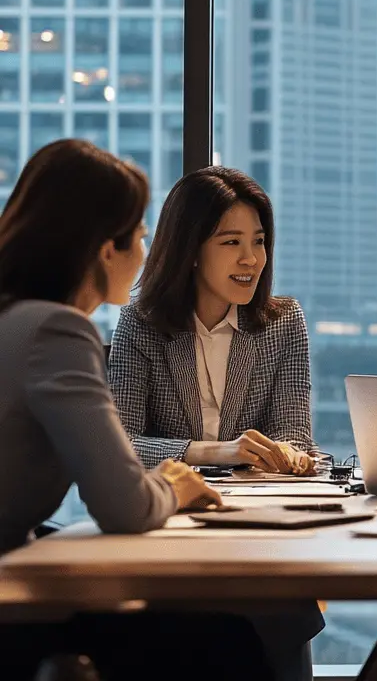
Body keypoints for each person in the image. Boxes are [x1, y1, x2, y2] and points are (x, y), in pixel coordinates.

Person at [0, 138, 279, 681]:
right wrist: (175, 482)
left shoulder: (15, 319)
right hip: (8, 604)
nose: (147, 249)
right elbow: (124, 505)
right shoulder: (58, 330)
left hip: (16, 576)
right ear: (108, 248)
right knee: (226, 641)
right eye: (141, 234)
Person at [109, 166, 315, 475]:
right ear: (191, 250)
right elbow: (120, 444)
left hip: (256, 502)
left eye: (258, 241)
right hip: (170, 503)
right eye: (232, 242)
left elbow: (293, 431)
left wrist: (289, 452)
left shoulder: (283, 323)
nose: (251, 259)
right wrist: (217, 452)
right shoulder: (140, 325)